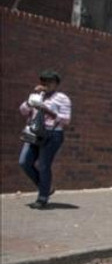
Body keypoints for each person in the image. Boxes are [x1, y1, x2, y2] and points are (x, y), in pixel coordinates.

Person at [18, 70, 72, 209]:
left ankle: (42, 198)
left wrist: (47, 110)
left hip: (52, 134)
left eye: (49, 81)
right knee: (24, 162)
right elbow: (23, 111)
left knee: (43, 165)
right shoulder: (37, 96)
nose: (46, 84)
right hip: (33, 133)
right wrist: (30, 102)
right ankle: (46, 188)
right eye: (43, 81)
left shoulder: (62, 98)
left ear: (56, 84)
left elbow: (66, 120)